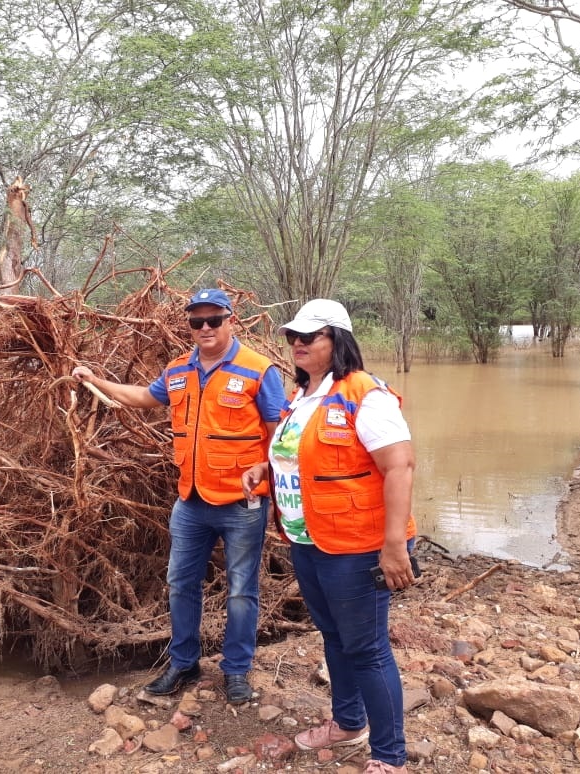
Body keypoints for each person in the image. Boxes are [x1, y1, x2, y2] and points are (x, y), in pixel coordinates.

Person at [72, 288, 285, 704]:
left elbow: (282, 432)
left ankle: (236, 671)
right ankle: (183, 664)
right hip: (190, 501)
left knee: (242, 590)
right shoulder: (177, 371)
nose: (205, 328)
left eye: (214, 320)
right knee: (180, 583)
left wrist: (268, 471)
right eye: (196, 321)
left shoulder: (259, 369)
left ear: (231, 321)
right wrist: (95, 379)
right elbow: (141, 398)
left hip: (243, 505)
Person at [241, 298, 416, 774]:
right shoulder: (303, 396)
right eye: (292, 336)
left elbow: (399, 467)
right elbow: (301, 459)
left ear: (337, 340)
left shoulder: (365, 394)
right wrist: (266, 467)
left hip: (358, 546)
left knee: (367, 647)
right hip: (309, 539)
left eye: (309, 336)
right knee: (335, 638)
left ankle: (389, 757)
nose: (297, 344)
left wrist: (394, 545)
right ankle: (347, 723)